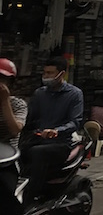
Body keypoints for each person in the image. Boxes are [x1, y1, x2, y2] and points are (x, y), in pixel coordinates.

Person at [19, 57, 83, 205]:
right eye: (45, 73)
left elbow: (75, 122)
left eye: (50, 73)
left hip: (61, 143)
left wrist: (56, 131)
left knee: (38, 153)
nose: (46, 76)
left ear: (62, 74)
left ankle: (30, 199)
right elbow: (29, 119)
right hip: (38, 139)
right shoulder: (39, 94)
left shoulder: (75, 94)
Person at [0, 58, 26, 150]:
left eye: (2, 79)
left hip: (8, 152)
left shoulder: (18, 104)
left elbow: (15, 130)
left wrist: (5, 100)